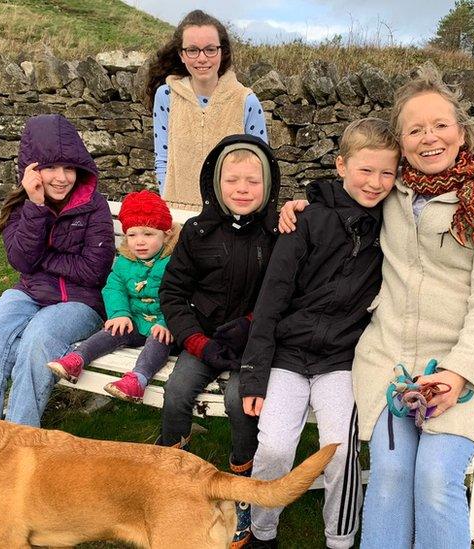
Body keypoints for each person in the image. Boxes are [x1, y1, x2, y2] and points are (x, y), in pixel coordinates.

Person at [278, 67, 474, 548]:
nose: (429, 138)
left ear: (461, 130)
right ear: (402, 139)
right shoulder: (391, 189)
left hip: (463, 365)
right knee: (393, 471)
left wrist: (458, 373)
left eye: (440, 125)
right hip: (392, 361)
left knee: (436, 478)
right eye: (415, 129)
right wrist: (299, 206)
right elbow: (343, 193)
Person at [239, 118, 400, 549]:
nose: (376, 182)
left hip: (343, 360)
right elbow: (271, 301)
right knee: (273, 447)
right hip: (287, 359)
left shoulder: (396, 225)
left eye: (387, 173)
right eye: (365, 170)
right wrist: (254, 376)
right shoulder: (305, 221)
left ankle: (340, 539)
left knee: (341, 450)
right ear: (341, 165)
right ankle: (262, 531)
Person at [158, 134, 280, 548]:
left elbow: (281, 294)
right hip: (205, 340)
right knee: (176, 392)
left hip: (253, 343)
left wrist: (250, 324)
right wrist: (197, 342)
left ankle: (239, 489)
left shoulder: (277, 232)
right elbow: (173, 293)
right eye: (233, 180)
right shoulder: (197, 231)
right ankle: (175, 477)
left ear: (268, 186)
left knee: (237, 404)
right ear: (215, 182)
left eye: (253, 181)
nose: (242, 189)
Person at [0, 114, 115, 427]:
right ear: (32, 169)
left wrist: (41, 257)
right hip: (29, 293)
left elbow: (94, 271)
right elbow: (20, 260)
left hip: (81, 303)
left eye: (69, 167)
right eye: (50, 167)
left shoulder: (93, 204)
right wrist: (35, 207)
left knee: (38, 339)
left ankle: (20, 438)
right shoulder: (21, 205)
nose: (62, 177)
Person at [46, 190, 179, 401]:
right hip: (134, 320)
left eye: (148, 234)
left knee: (158, 340)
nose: (139, 242)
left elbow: (182, 295)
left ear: (167, 233)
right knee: (113, 330)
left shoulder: (176, 262)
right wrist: (119, 313)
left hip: (167, 326)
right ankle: (78, 359)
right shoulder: (125, 262)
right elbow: (113, 288)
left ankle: (137, 380)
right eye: (132, 235)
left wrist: (168, 322)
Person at [143, 9, 268, 210]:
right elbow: (162, 159)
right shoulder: (166, 96)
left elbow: (262, 166)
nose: (202, 58)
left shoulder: (247, 101)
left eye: (210, 49)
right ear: (181, 55)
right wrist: (170, 206)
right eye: (192, 50)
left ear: (222, 52)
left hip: (228, 218)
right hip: (178, 215)